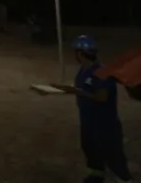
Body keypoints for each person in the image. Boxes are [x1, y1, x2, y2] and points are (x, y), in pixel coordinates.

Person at [53, 35, 134, 183]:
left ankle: (125, 179)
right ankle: (96, 176)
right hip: (88, 122)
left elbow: (101, 97)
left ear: (80, 54)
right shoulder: (83, 71)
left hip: (105, 124)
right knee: (91, 152)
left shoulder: (102, 72)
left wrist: (76, 91)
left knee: (113, 156)